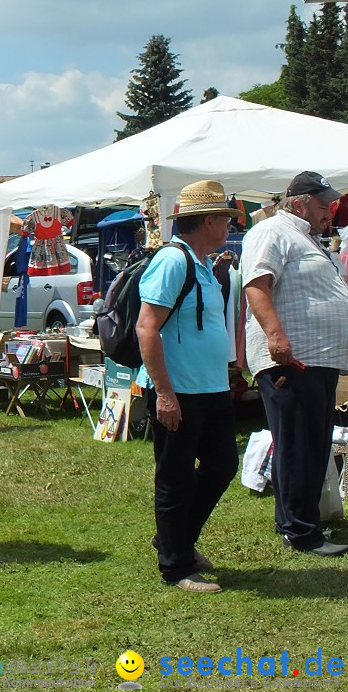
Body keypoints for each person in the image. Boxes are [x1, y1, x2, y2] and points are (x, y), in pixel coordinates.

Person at [136, 180, 242, 593]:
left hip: (210, 387)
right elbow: (147, 328)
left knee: (223, 465)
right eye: (227, 219)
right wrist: (164, 393)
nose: (230, 227)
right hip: (178, 389)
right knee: (175, 477)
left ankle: (174, 538)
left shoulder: (203, 263)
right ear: (211, 220)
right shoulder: (173, 260)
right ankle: (176, 566)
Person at [242, 171, 348, 557]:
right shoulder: (272, 232)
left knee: (311, 443)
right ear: (300, 202)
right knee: (299, 444)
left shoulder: (306, 238)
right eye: (322, 205)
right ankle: (302, 532)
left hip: (317, 359)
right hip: (293, 358)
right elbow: (256, 284)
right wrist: (275, 336)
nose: (328, 212)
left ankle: (295, 522)